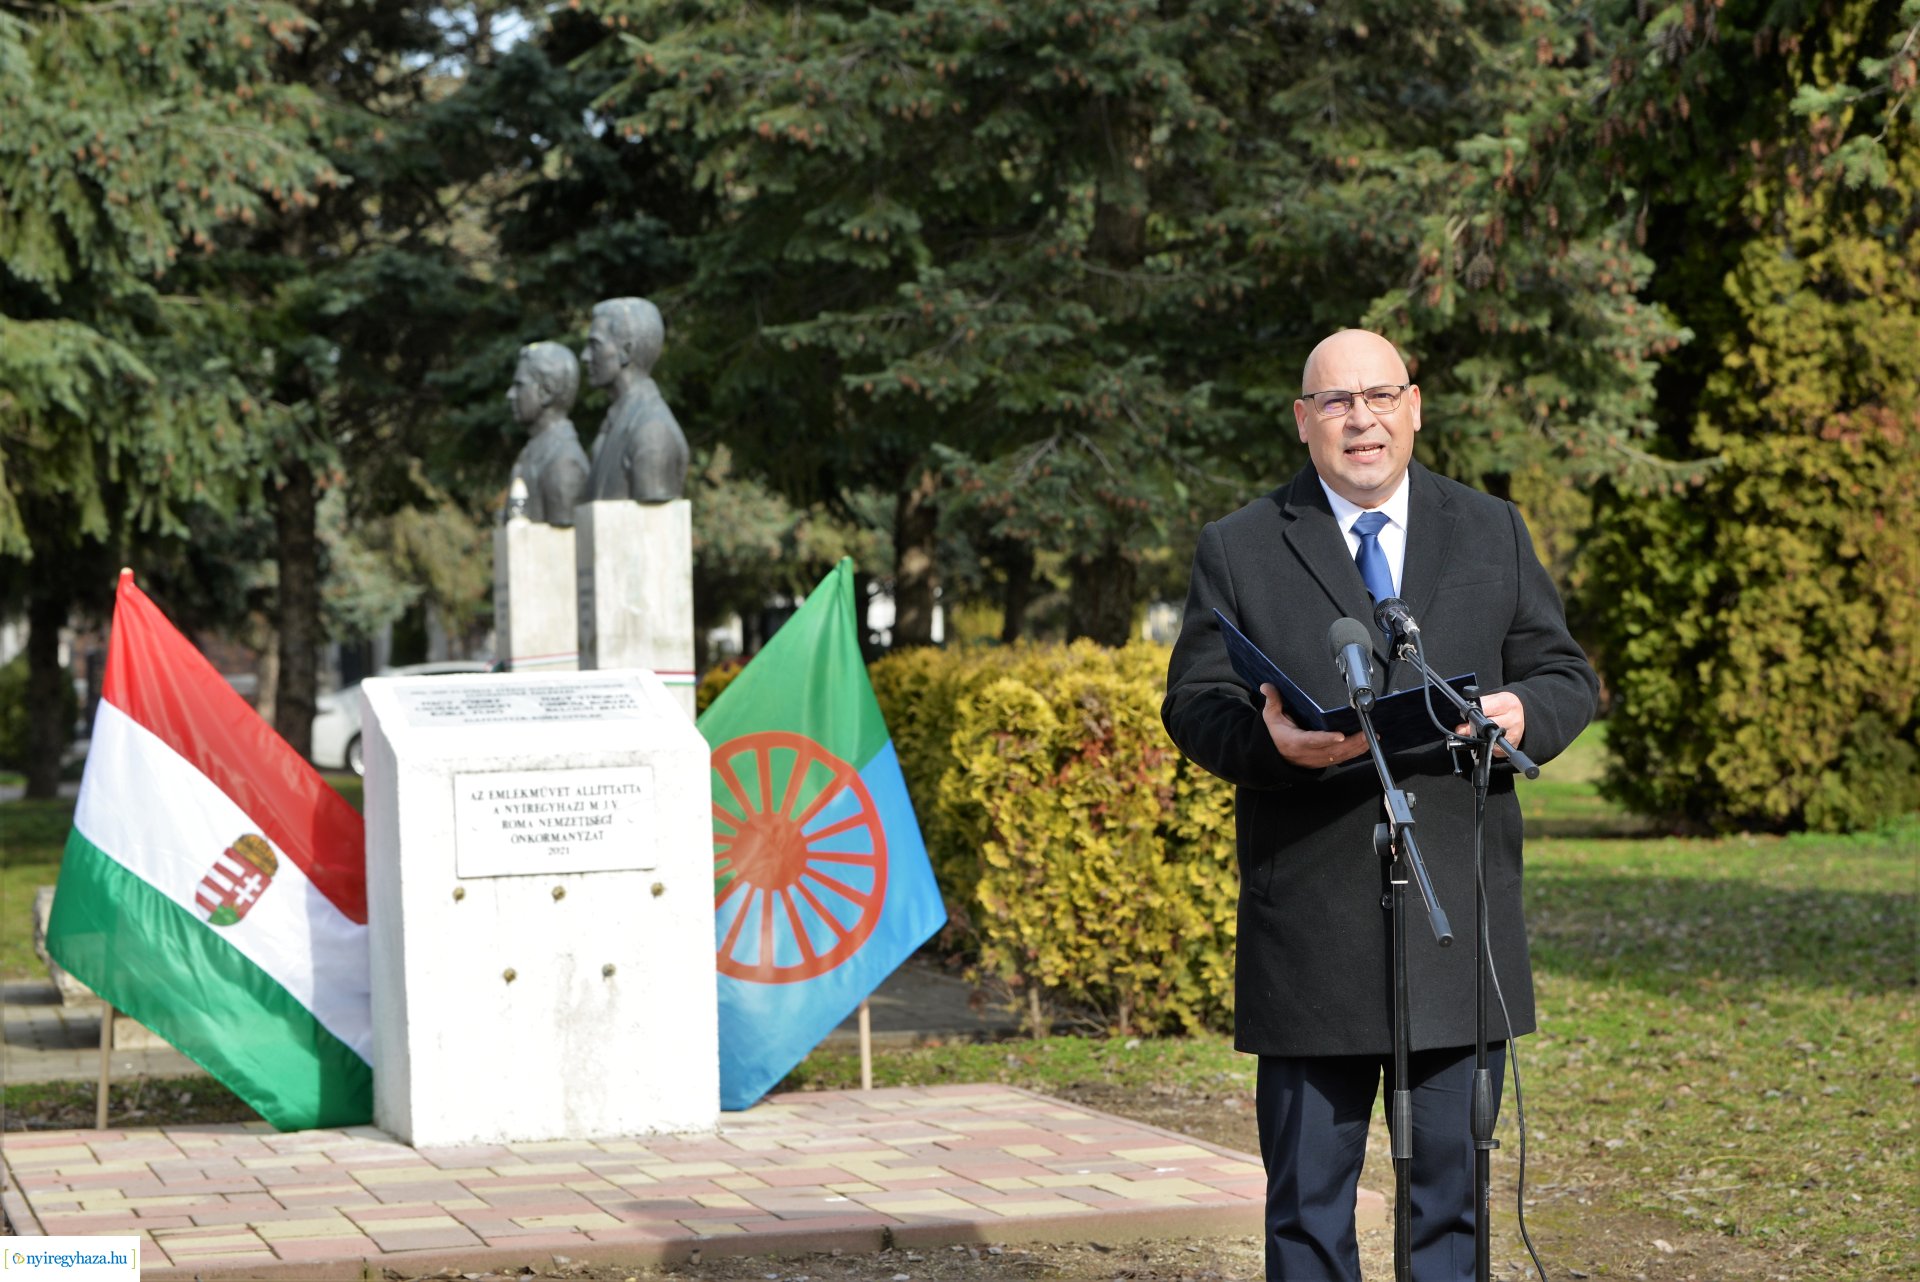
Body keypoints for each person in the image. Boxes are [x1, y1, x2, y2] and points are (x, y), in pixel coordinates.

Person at [1161, 329, 1598, 1281]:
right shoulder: (1238, 545)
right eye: (1335, 402)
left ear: (1414, 406)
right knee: (1309, 1208)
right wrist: (1268, 744)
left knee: (1451, 1201)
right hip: (1309, 933)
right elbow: (1194, 704)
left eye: (1379, 395)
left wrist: (1524, 708)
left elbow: (1566, 674)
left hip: (1456, 919)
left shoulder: (1491, 529)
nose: (1361, 418)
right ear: (1304, 422)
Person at [580, 297, 689, 503]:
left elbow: (653, 526)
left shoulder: (651, 431)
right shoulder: (616, 423)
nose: (586, 356)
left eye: (595, 345)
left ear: (626, 351)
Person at [503, 341, 591, 526]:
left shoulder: (564, 462)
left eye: (520, 385)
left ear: (546, 392)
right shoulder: (531, 454)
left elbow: (564, 545)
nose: (511, 394)